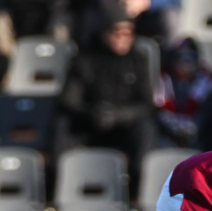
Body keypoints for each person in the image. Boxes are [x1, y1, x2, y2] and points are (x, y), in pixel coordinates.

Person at [56, 4, 156, 198]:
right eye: (117, 33)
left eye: (128, 34)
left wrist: (120, 115)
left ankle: (138, 193)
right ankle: (58, 189)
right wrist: (92, 113)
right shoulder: (85, 58)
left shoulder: (138, 59)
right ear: (104, 33)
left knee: (146, 129)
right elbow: (68, 100)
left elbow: (146, 104)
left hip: (123, 125)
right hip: (90, 122)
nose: (123, 39)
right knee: (62, 126)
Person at [156, 38, 212, 150]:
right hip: (167, 135)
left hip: (197, 136)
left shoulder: (206, 84)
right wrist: (174, 127)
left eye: (190, 60)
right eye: (180, 60)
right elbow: (159, 111)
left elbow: (206, 114)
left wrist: (191, 128)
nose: (185, 66)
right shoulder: (163, 82)